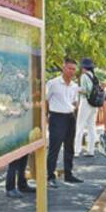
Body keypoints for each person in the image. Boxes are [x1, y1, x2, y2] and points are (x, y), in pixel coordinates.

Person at [46, 58, 83, 188]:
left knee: (69, 147)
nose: (72, 71)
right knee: (54, 148)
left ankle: (69, 174)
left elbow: (74, 101)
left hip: (70, 117)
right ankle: (50, 176)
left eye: (74, 69)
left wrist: (74, 107)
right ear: (63, 68)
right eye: (69, 68)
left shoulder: (74, 86)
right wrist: (46, 116)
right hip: (56, 117)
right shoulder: (53, 83)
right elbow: (46, 100)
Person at [74, 58, 98, 157]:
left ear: (83, 67)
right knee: (91, 127)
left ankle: (77, 150)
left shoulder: (84, 76)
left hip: (85, 102)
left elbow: (85, 90)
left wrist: (75, 88)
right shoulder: (94, 76)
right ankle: (91, 150)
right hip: (94, 104)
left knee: (80, 126)